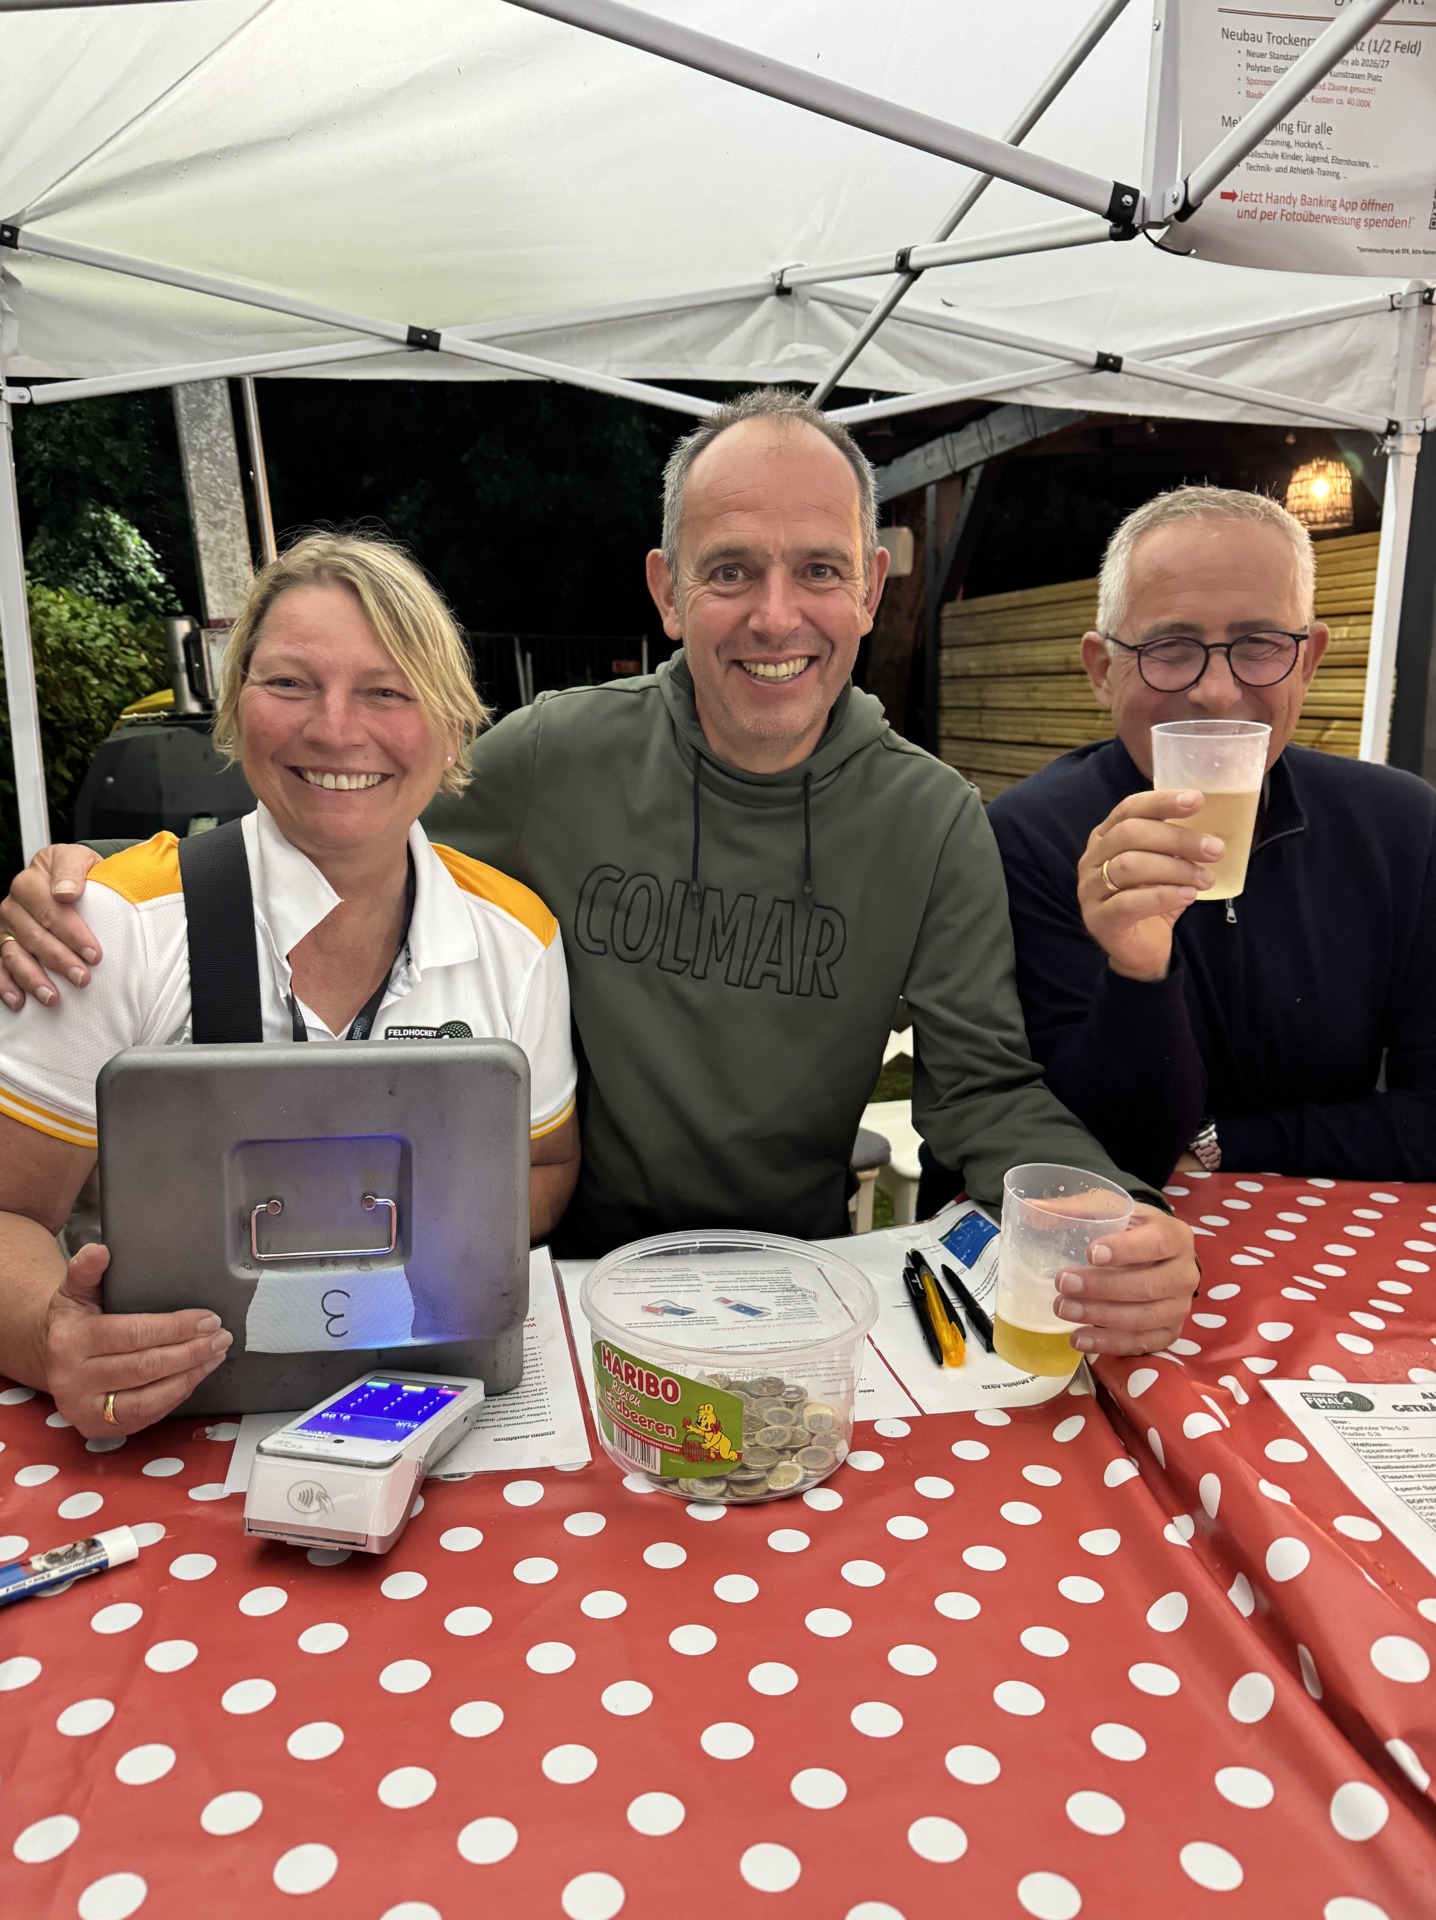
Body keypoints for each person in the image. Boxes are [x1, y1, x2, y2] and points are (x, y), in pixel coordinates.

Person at [0, 391, 1197, 1361]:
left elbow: (982, 1092)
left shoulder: (930, 821)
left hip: (792, 1282)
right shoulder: (550, 759)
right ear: (667, 591)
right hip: (551, 1286)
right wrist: (109, 875)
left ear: (871, 588)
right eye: (729, 571)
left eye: (818, 571)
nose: (774, 615)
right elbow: (346, 798)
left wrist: (1107, 1209)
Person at [0, 533, 579, 1436]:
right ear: (237, 706)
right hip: (164, 1417)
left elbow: (547, 1166)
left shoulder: (519, 936)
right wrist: (52, 1338)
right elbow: (9, 1213)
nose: (335, 729)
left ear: (453, 728)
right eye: (290, 683)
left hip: (431, 1397)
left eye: (387, 691)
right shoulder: (109, 928)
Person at [980, 485, 1436, 1187]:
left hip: (1332, 1243)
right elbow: (1096, 1152)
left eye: (1259, 645)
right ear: (1102, 670)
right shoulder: (1032, 837)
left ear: (1308, 660)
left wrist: (1229, 1142)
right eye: (1170, 647)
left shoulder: (1401, 827)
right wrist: (1138, 972)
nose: (1217, 691)